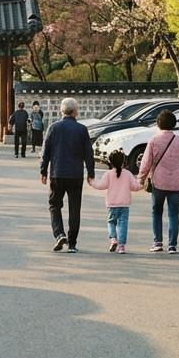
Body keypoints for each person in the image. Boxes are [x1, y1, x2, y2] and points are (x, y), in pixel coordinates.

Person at [39, 97, 95, 252]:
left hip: (57, 173)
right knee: (75, 208)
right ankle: (72, 244)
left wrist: (43, 171)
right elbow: (88, 153)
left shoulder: (53, 128)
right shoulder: (82, 129)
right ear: (76, 112)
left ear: (61, 111)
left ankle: (59, 234)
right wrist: (91, 173)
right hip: (75, 174)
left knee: (54, 205)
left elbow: (46, 151)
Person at [137, 110, 179, 254]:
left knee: (157, 212)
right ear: (173, 124)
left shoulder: (154, 140)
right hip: (176, 184)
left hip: (158, 182)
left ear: (158, 123)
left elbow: (146, 162)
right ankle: (172, 245)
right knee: (174, 214)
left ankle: (157, 242)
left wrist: (141, 178)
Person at [88, 148, 142, 252]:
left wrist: (92, 182)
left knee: (111, 222)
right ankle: (121, 246)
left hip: (112, 205)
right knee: (123, 224)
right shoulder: (127, 174)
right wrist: (142, 183)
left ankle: (113, 239)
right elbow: (135, 187)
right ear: (123, 162)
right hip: (124, 204)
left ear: (111, 162)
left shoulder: (108, 174)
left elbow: (101, 185)